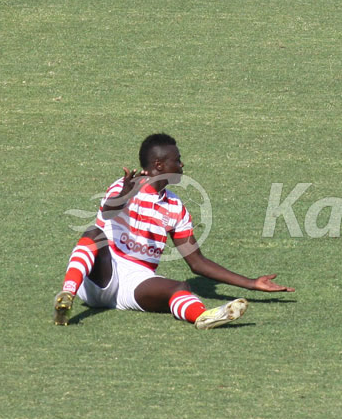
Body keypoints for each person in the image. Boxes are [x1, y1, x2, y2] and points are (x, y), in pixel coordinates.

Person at [53, 133, 294, 329]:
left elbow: (197, 263)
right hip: (102, 273)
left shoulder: (176, 207)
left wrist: (251, 283)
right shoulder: (124, 186)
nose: (181, 165)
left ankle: (203, 317)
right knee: (94, 234)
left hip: (136, 281)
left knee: (180, 288)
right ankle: (67, 295)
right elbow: (107, 213)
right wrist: (124, 195)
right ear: (159, 165)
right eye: (177, 160)